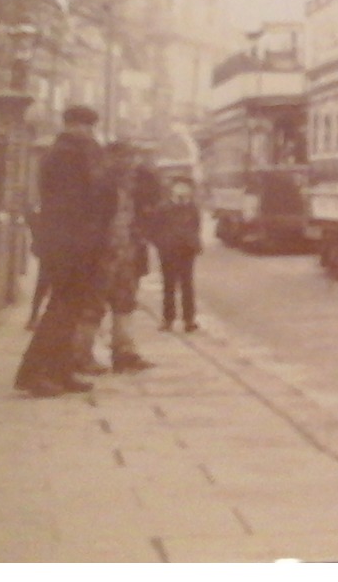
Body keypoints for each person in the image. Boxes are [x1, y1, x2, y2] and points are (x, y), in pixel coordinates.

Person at [14, 105, 111, 397]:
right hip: (69, 245)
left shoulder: (70, 153)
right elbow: (77, 203)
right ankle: (34, 374)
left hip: (74, 243)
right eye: (86, 127)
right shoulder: (68, 155)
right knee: (60, 309)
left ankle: (60, 371)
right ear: (73, 125)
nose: (89, 133)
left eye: (90, 128)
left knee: (69, 310)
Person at [79, 142, 160, 373]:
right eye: (124, 158)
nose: (129, 164)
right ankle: (82, 354)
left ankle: (124, 352)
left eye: (131, 159)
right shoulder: (100, 186)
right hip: (103, 253)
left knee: (125, 302)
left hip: (128, 251)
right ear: (111, 159)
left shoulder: (133, 187)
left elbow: (148, 209)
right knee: (93, 304)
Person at [149, 175, 204, 332]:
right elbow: (154, 230)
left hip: (187, 251)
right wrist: (162, 244)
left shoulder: (192, 208)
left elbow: (196, 227)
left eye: (186, 187)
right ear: (172, 189)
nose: (182, 190)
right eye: (179, 186)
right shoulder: (163, 208)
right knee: (169, 285)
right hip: (168, 251)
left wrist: (194, 242)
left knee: (187, 285)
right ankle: (168, 318)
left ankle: (189, 320)